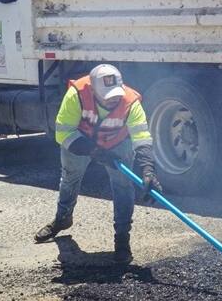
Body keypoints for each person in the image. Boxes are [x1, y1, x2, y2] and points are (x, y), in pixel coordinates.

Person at [34, 64, 160, 263]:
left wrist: (148, 170)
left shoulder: (130, 101)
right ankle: (63, 218)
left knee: (122, 185)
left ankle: (122, 239)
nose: (113, 100)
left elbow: (142, 137)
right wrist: (94, 152)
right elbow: (63, 133)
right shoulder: (77, 94)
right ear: (93, 90)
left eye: (116, 95)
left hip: (117, 142)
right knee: (70, 177)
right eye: (107, 97)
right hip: (79, 140)